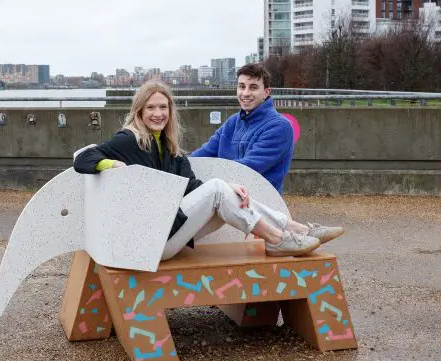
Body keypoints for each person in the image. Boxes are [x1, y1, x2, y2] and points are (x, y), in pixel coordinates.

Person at [73, 81, 344, 261]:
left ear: (170, 111)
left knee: (222, 189)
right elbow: (83, 158)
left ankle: (298, 229)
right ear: (139, 111)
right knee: (217, 189)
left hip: (170, 228)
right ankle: (277, 238)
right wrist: (113, 165)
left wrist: (229, 187)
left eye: (163, 107)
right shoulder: (128, 139)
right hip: (150, 241)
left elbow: (192, 187)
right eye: (151, 108)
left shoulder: (169, 148)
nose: (158, 113)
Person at [191, 63, 293, 194]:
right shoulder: (233, 122)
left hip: (259, 202)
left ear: (266, 93)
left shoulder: (279, 127)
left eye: (253, 87)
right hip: (227, 195)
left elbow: (245, 171)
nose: (245, 93)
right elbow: (204, 153)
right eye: (241, 87)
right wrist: (181, 167)